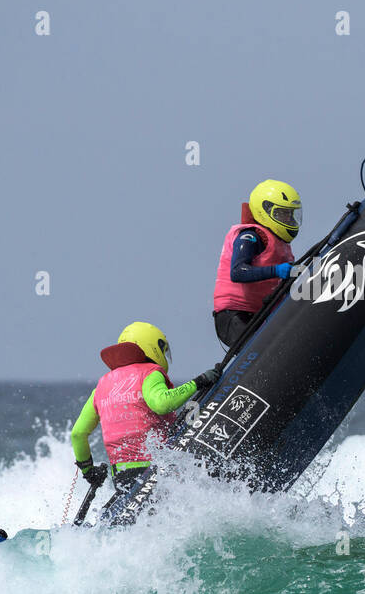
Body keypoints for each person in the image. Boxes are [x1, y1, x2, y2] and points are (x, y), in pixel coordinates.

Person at [70, 321, 220, 512]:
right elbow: (162, 403)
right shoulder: (150, 372)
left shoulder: (101, 386)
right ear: (153, 346)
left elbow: (77, 434)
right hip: (156, 471)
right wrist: (199, 382)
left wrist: (89, 471)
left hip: (122, 475)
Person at [212, 179, 302, 348]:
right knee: (269, 349)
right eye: (283, 213)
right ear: (266, 211)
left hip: (261, 314)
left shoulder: (282, 246)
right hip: (234, 316)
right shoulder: (250, 236)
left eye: (291, 214)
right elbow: (238, 272)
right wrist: (277, 270)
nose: (289, 219)